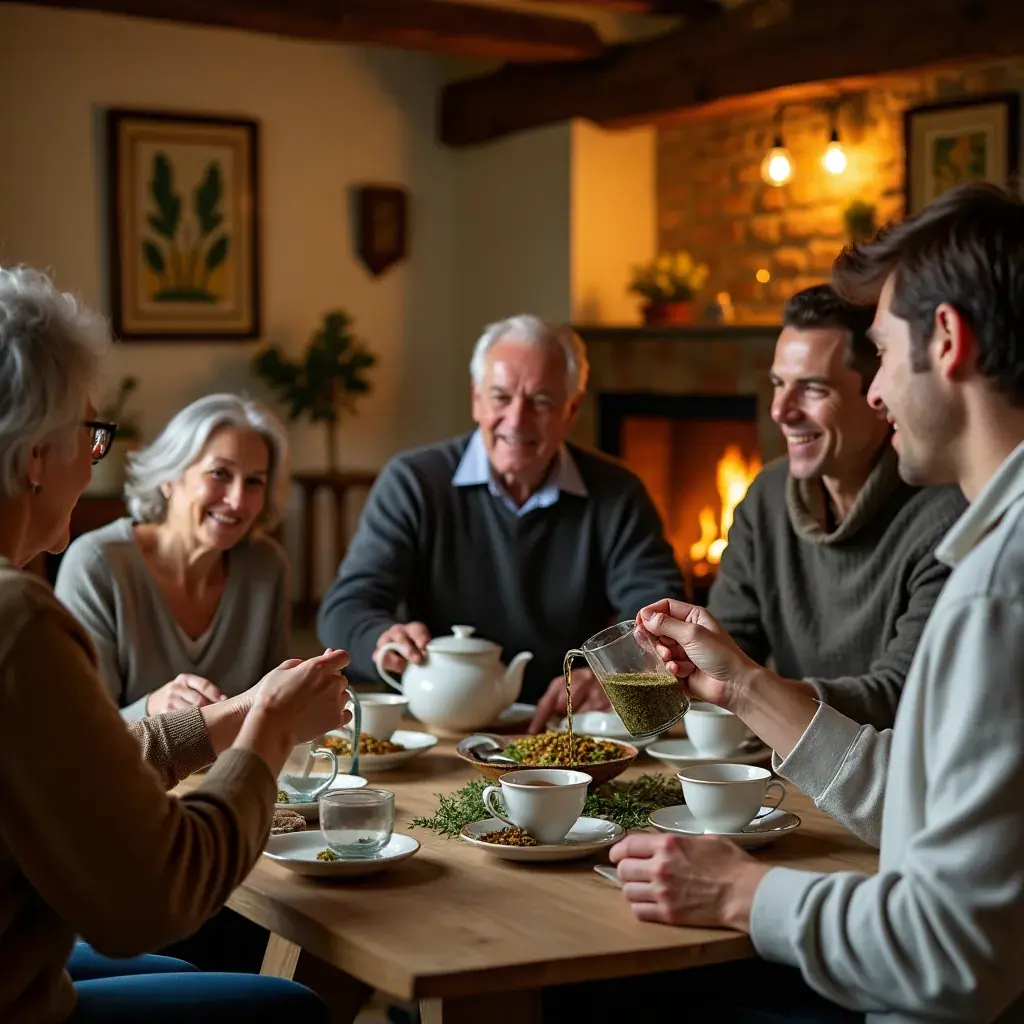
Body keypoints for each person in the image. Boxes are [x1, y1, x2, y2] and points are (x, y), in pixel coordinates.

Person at [603, 183, 1024, 1022]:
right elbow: (922, 797)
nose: (874, 393)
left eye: (882, 352)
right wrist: (742, 687)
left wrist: (741, 892)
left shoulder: (996, 589)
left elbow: (955, 954)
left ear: (946, 341)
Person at [0, 265, 351, 1023]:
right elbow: (148, 900)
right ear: (35, 456)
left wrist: (235, 716)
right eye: (88, 434)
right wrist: (270, 732)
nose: (93, 456)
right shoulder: (18, 620)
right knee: (289, 1008)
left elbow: (76, 774)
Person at [316, 314, 684, 727]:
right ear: (476, 399)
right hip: (440, 725)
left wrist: (615, 674)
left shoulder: (618, 493)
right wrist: (383, 639)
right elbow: (344, 611)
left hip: (566, 725)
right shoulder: (414, 482)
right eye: (500, 397)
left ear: (572, 409)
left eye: (541, 402)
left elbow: (659, 608)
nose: (517, 420)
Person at [707, 284, 965, 729]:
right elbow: (729, 648)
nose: (781, 411)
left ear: (878, 395)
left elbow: (901, 693)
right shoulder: (766, 496)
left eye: (812, 389)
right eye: (778, 384)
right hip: (784, 758)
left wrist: (755, 693)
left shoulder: (945, 515)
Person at [55, 394, 290, 721]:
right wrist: (151, 708)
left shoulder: (266, 566)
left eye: (254, 481)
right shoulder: (96, 563)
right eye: (220, 473)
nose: (237, 500)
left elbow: (275, 708)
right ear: (169, 478)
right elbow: (77, 728)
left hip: (239, 769)